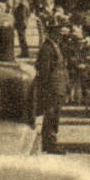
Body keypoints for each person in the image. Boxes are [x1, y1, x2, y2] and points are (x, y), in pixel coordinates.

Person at [34, 24, 69, 154]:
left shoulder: (55, 46)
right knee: (51, 115)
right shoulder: (47, 49)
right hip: (52, 87)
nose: (60, 37)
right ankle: (50, 143)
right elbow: (44, 70)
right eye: (58, 34)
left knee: (54, 115)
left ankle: (50, 141)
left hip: (58, 86)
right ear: (52, 34)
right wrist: (44, 88)